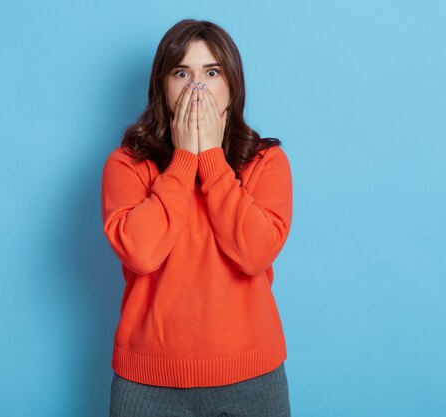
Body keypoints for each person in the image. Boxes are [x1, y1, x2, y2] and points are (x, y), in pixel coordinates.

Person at [101, 18, 293, 417]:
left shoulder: (266, 162)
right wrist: (185, 159)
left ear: (232, 85)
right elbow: (141, 253)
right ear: (162, 86)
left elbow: (255, 254)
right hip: (147, 381)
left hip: (252, 376)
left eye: (211, 72)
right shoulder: (127, 164)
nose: (197, 88)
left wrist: (212, 161)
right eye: (182, 73)